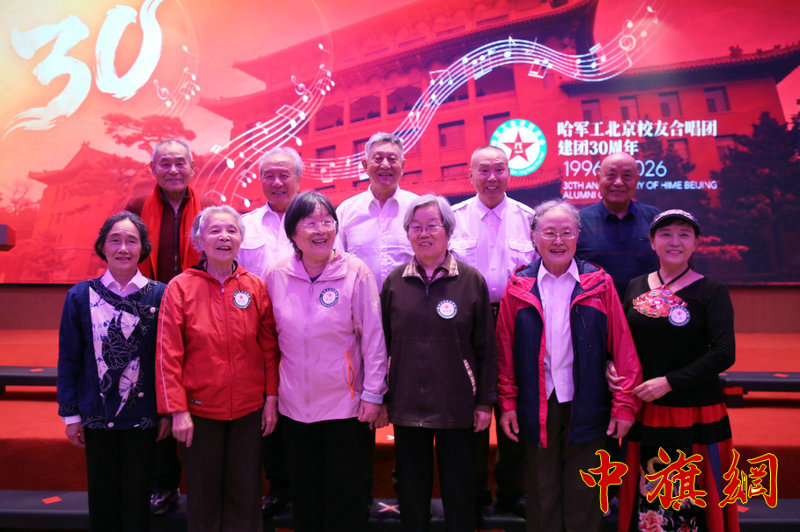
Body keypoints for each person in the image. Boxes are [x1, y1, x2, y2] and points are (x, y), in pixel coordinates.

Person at [496, 199, 642, 532]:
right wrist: (508, 403)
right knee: (542, 492)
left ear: (578, 236)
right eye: (549, 232)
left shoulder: (599, 283)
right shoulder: (518, 287)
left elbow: (622, 348)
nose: (558, 240)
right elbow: (504, 352)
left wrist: (625, 404)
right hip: (538, 401)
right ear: (534, 237)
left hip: (587, 399)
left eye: (567, 232)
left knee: (584, 492)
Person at [266, 191, 387, 531]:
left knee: (345, 500)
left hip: (345, 407)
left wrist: (373, 394)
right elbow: (269, 342)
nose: (321, 230)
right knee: (305, 499)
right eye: (310, 223)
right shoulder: (276, 275)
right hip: (294, 408)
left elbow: (373, 338)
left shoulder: (355, 272)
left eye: (327, 222)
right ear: (292, 232)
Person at [156, 205, 280, 532]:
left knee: (246, 494)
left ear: (241, 239)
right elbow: (168, 353)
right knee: (204, 497)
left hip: (249, 410)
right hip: (199, 411)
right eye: (215, 230)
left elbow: (269, 348)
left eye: (231, 230)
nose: (224, 237)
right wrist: (177, 411)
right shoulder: (180, 287)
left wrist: (271, 399)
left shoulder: (255, 286)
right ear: (199, 241)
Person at [617, 209, 738, 532]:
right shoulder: (635, 286)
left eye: (684, 235)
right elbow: (621, 342)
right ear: (652, 242)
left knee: (693, 498)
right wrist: (611, 366)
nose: (674, 242)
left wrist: (670, 382)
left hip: (695, 411)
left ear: (696, 243)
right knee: (649, 496)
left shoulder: (711, 290)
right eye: (666, 234)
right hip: (646, 408)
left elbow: (724, 353)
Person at [381, 194, 497, 531]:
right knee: (412, 497)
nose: (424, 233)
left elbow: (486, 347)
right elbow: (382, 346)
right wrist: (382, 397)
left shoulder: (471, 281)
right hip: (406, 407)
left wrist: (485, 403)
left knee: (460, 496)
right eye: (416, 227)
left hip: (457, 406)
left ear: (448, 230)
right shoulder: (394, 282)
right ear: (407, 233)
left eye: (432, 225)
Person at [57, 211, 169, 531]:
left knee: (137, 500)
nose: (123, 248)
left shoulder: (161, 294)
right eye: (115, 240)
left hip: (144, 416)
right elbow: (69, 358)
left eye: (131, 241)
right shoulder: (80, 295)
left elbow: (167, 359)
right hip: (96, 413)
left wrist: (166, 411)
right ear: (102, 246)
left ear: (143, 248)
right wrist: (71, 415)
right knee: (103, 499)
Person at [125, 138, 216, 514]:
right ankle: (163, 484)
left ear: (193, 167)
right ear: (153, 170)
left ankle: (204, 484)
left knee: (198, 394)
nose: (174, 170)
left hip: (202, 311)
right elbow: (126, 254)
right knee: (156, 397)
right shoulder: (136, 207)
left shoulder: (209, 205)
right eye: (165, 164)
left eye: (181, 163)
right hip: (150, 312)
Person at [450, 145, 536, 516]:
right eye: (483, 170)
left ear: (509, 174)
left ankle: (511, 490)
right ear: (469, 175)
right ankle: (474, 490)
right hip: (466, 325)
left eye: (499, 169)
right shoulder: (453, 219)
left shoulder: (529, 219)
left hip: (517, 323)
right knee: (470, 408)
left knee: (514, 406)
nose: (491, 177)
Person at [237, 146, 302, 517]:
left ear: (298, 178)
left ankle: (306, 485)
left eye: (284, 175)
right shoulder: (244, 226)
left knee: (302, 409)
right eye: (269, 176)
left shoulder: (316, 221)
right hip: (257, 336)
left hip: (307, 334)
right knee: (268, 409)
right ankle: (279, 486)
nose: (277, 182)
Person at [336, 131, 419, 290]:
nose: (385, 165)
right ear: (365, 165)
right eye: (378, 158)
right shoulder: (345, 211)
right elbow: (337, 264)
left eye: (392, 159)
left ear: (403, 166)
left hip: (410, 301)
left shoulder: (418, 208)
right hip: (359, 301)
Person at [576, 152, 660, 299]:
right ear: (598, 179)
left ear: (637, 180)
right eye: (611, 175)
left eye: (627, 176)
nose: (619, 182)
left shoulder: (655, 219)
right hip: (596, 308)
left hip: (647, 308)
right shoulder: (578, 222)